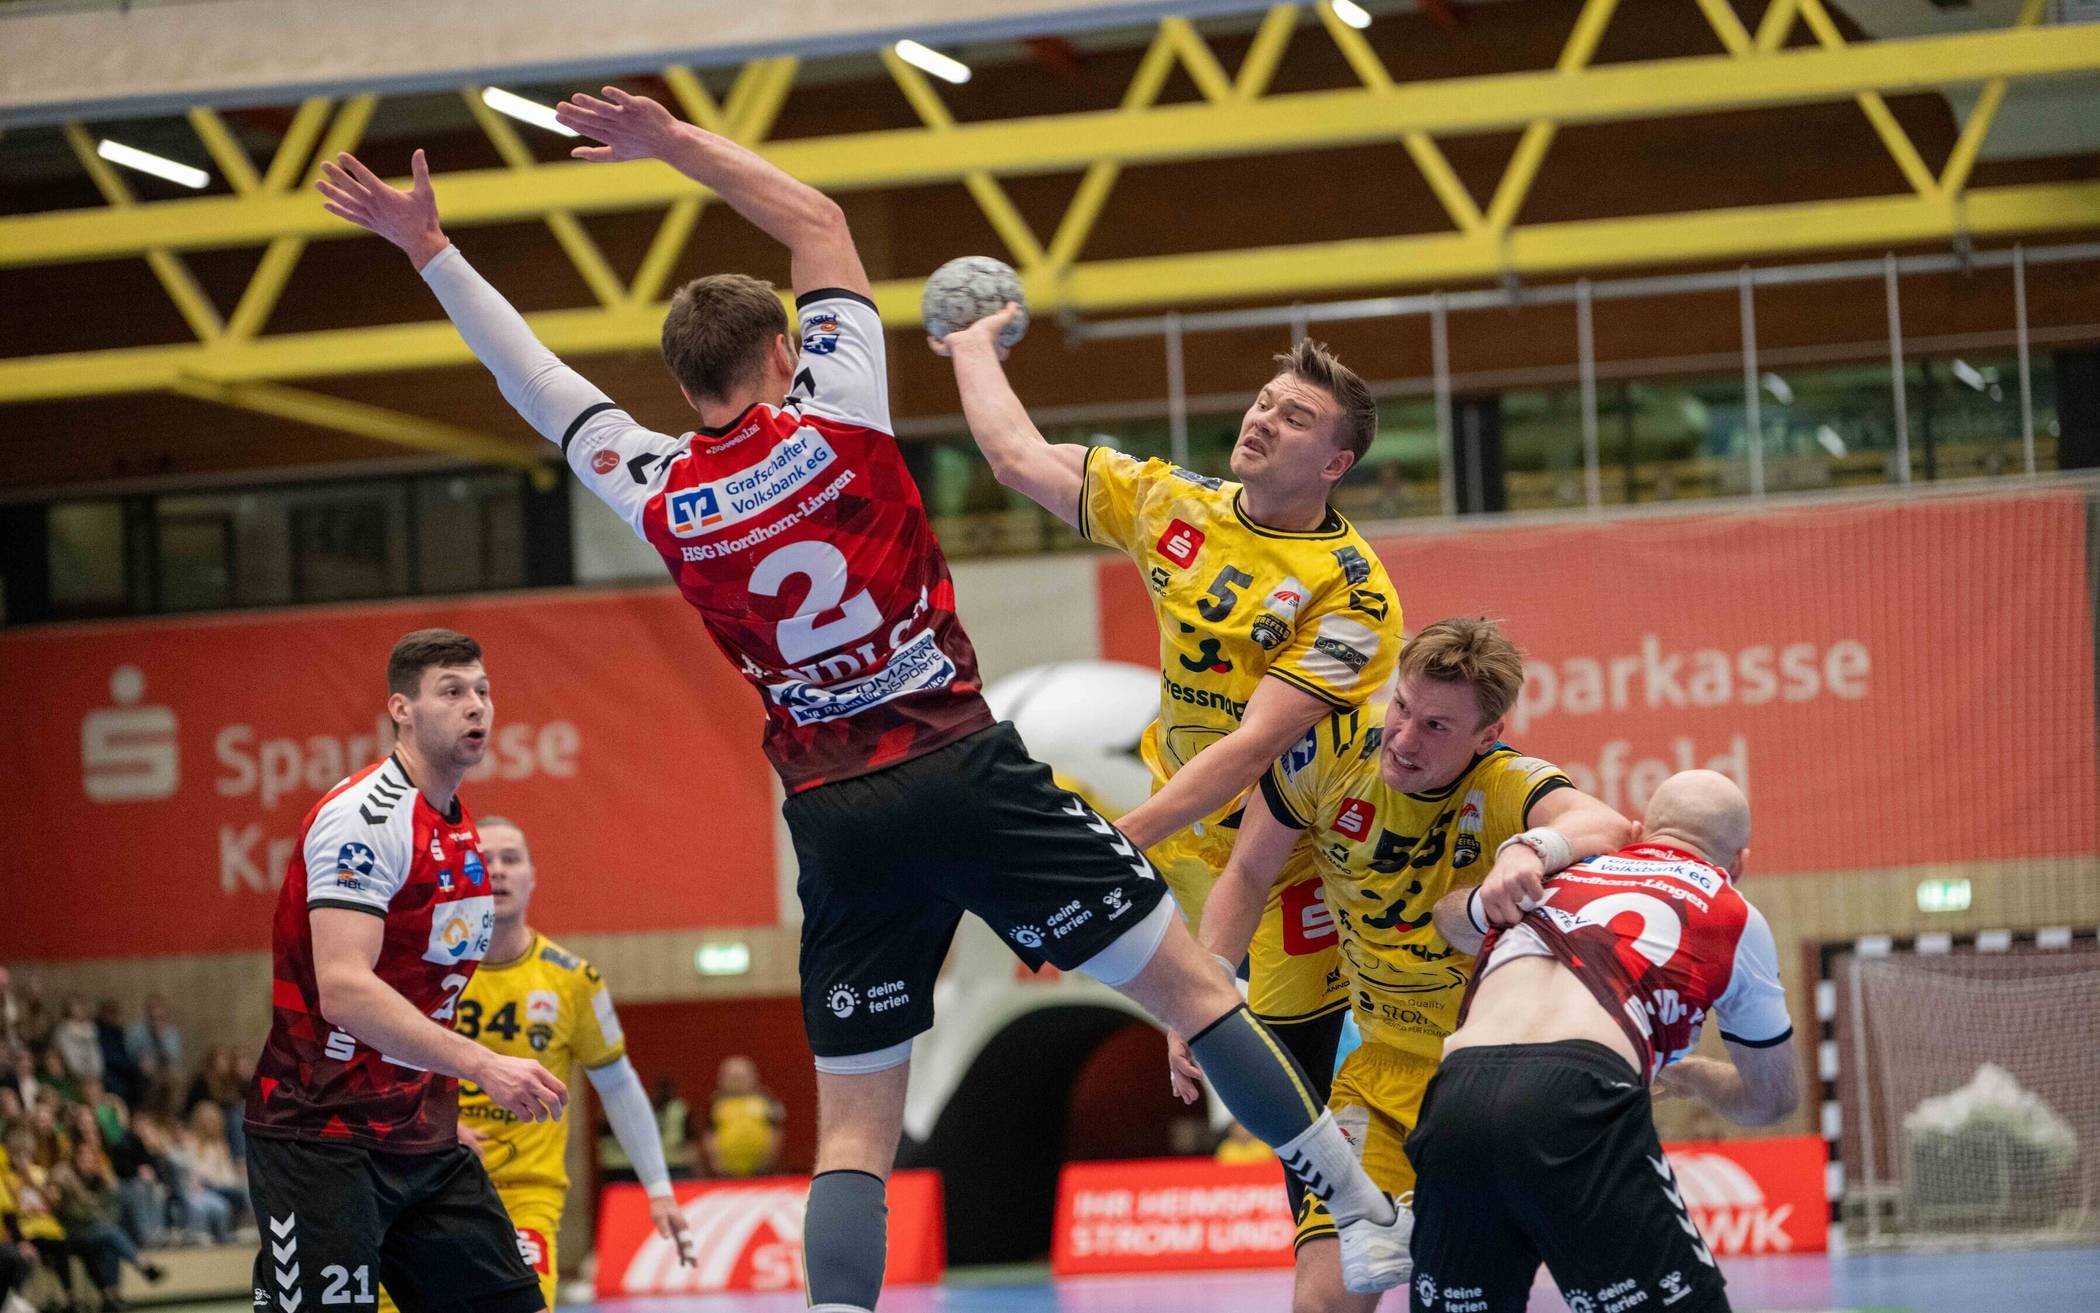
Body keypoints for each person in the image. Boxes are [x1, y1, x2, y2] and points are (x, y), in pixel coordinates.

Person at [316, 87, 1415, 1308]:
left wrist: (430, 248)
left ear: (682, 380)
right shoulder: (840, 410)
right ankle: (1364, 1210)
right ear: (784, 353)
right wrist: (669, 142)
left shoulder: (652, 483)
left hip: (834, 813)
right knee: (1198, 995)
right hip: (963, 765)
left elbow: (533, 378)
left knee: (854, 1131)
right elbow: (818, 219)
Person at [937, 310, 1400, 1190]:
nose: (1263, 419)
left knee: (1317, 1104)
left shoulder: (1355, 595)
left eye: (1295, 417)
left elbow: (1253, 748)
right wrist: (969, 349)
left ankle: (1379, 1212)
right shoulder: (1173, 502)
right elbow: (1017, 457)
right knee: (1218, 1060)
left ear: (1335, 465)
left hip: (1292, 864)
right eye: (1264, 403)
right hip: (1187, 846)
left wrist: (1118, 837)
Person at [1187, 618, 1634, 1310]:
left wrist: (1530, 848)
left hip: (1488, 1082)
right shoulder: (1334, 749)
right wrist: (1204, 988)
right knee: (1324, 1300)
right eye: (1401, 706)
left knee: (1464, 1297)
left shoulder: (1504, 783)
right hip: (1379, 1077)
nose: (1403, 737)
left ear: (1487, 734)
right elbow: (1246, 872)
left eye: (1435, 726)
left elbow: (1606, 825)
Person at [241, 629, 565, 1313]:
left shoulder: (458, 827)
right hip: (320, 1135)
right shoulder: (364, 818)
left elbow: (426, 989)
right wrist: (483, 1065)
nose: (476, 706)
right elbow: (344, 989)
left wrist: (436, 1097)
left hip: (419, 1137)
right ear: (402, 709)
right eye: (451, 691)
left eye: (483, 691)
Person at [1408, 770, 1800, 1313]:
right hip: (1575, 1094)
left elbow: (1449, 920)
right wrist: (1690, 1075)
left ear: (1638, 833)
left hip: (1456, 1095)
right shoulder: (1732, 911)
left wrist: (1501, 878)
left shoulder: (1554, 875)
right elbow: (1771, 1099)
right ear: (1738, 864)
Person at [374, 816, 691, 1313]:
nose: (498, 870)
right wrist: (430, 1123)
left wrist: (658, 1188)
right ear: (458, 874)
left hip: (522, 1196)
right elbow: (373, 1069)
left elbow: (617, 1084)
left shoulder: (573, 980)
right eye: (485, 860)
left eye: (512, 859)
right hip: (422, 1184)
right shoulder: (419, 972)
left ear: (532, 877)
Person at [703, 1056, 784, 1179]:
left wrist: (769, 1158)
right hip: (726, 1172)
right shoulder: (715, 1103)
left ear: (753, 1077)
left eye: (741, 1077)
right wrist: (716, 1161)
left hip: (762, 1170)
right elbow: (709, 1134)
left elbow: (776, 1131)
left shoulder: (767, 1100)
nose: (737, 1082)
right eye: (733, 1078)